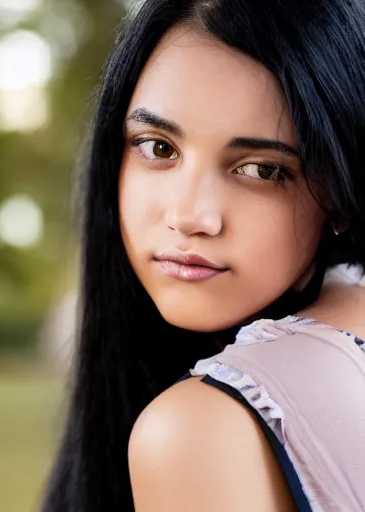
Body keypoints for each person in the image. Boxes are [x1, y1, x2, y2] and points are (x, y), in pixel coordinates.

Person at [41, 0, 365, 510]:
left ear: (342, 188)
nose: (191, 216)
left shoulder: (200, 431)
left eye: (262, 170)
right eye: (158, 148)